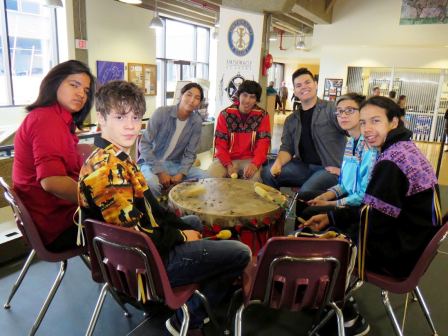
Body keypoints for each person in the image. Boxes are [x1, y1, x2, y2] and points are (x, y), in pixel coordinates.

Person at [78, 80, 251, 336]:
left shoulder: (113, 156)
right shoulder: (109, 171)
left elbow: (153, 211)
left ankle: (184, 294)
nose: (131, 125)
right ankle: (190, 316)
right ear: (101, 119)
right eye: (120, 116)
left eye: (136, 117)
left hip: (135, 252)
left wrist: (183, 230)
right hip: (145, 264)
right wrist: (181, 236)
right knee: (241, 252)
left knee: (191, 221)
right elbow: (138, 238)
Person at [302, 96, 442, 335]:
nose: (367, 129)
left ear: (394, 122)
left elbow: (373, 223)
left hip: (400, 253)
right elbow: (375, 210)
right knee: (325, 226)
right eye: (364, 122)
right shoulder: (404, 149)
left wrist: (336, 231)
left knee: (323, 246)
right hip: (413, 243)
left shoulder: (391, 161)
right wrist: (332, 217)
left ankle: (346, 317)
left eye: (375, 121)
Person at [13, 60, 95, 251]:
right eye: (74, 85)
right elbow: (52, 182)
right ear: (54, 83)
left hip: (44, 218)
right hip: (56, 224)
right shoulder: (47, 120)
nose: (81, 94)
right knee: (128, 217)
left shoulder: (52, 117)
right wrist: (96, 200)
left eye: (86, 90)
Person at [295, 93, 378, 224]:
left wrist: (333, 203)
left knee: (308, 212)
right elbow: (345, 185)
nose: (343, 115)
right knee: (303, 197)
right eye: (339, 111)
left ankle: (310, 240)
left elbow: (363, 196)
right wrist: (325, 196)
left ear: (362, 113)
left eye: (349, 110)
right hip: (349, 197)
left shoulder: (370, 147)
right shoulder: (350, 142)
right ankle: (299, 238)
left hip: (359, 207)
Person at [261, 68, 346, 193]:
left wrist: (347, 170)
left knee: (306, 192)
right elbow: (287, 148)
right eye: (298, 85)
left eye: (307, 82)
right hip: (303, 167)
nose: (303, 87)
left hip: (329, 169)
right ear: (295, 91)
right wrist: (278, 162)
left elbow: (354, 133)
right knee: (268, 172)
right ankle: (278, 208)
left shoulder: (331, 109)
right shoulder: (291, 119)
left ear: (315, 84)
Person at [138, 83, 208, 199]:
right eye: (189, 95)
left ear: (199, 103)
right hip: (150, 163)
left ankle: (184, 211)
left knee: (207, 179)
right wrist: (160, 171)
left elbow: (190, 153)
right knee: (152, 186)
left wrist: (181, 173)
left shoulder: (196, 122)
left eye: (197, 98)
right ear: (180, 96)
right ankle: (155, 216)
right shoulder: (161, 113)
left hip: (175, 164)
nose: (192, 100)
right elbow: (144, 144)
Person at [208, 80, 271, 181]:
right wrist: (228, 164)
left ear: (257, 99)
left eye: (252, 97)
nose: (247, 100)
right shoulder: (225, 115)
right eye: (244, 95)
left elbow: (263, 144)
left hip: (250, 159)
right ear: (239, 95)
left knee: (255, 178)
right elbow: (220, 144)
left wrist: (255, 164)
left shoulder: (262, 116)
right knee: (212, 173)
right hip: (228, 159)